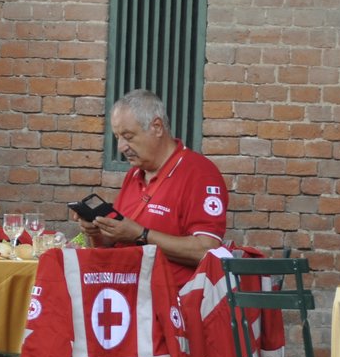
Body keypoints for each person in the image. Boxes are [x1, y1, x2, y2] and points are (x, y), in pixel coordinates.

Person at [74, 89, 228, 274]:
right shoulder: (134, 174)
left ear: (157, 127)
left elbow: (207, 250)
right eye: (117, 137)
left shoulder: (200, 173)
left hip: (171, 296)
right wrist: (97, 231)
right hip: (125, 289)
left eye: (128, 136)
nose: (121, 147)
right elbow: (115, 242)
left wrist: (141, 235)